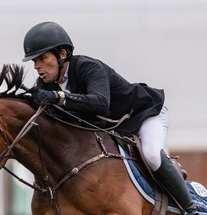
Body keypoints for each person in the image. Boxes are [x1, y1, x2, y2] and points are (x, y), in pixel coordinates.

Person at [22, 21, 198, 215]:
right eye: (34, 61)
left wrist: (59, 97)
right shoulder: (45, 85)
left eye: (41, 58)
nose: (37, 66)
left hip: (144, 114)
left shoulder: (88, 67)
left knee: (152, 155)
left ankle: (190, 209)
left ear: (62, 54)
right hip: (117, 127)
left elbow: (100, 103)